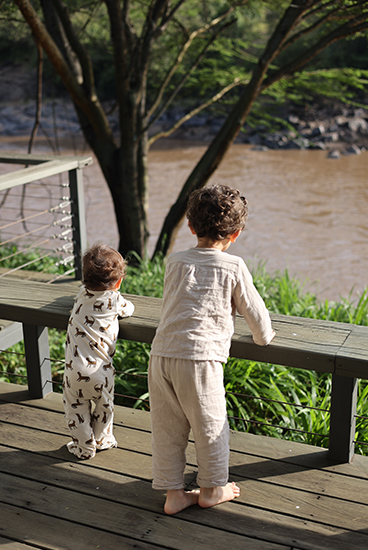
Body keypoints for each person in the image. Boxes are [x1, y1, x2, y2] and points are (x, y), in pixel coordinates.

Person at [148, 184, 275, 515]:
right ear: (235, 233)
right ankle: (213, 488)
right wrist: (265, 336)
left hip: (162, 354)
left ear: (191, 227)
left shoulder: (174, 261)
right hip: (200, 359)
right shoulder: (233, 266)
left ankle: (174, 493)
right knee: (211, 426)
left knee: (167, 428)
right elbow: (256, 315)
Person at [63, 244, 134, 459]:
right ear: (119, 282)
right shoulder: (114, 300)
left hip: (74, 371)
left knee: (76, 409)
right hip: (101, 374)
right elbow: (129, 309)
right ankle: (103, 440)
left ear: (84, 279)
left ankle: (84, 447)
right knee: (105, 408)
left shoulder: (80, 295)